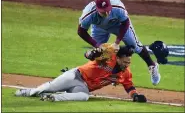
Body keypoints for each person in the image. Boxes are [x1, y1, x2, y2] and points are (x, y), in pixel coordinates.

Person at [15, 44, 147, 103]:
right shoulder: (109, 56)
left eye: (128, 62)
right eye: (125, 62)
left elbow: (129, 86)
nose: (127, 64)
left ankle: (54, 98)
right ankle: (26, 92)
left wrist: (135, 96)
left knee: (84, 97)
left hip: (83, 87)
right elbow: (88, 55)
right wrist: (92, 53)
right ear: (118, 58)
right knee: (50, 87)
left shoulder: (125, 73)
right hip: (75, 75)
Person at [77, 0, 160, 85]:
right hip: (99, 27)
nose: (107, 14)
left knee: (134, 45)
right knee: (100, 54)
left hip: (118, 25)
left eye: (108, 10)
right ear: (97, 9)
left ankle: (152, 65)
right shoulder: (88, 15)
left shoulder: (118, 7)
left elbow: (125, 23)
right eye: (103, 12)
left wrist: (117, 42)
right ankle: (113, 74)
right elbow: (81, 31)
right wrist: (98, 45)